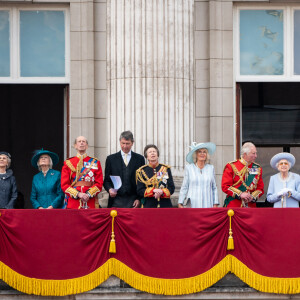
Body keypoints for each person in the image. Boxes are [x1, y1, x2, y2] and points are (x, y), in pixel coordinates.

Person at [104, 131, 145, 208]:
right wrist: (110, 189)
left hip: (134, 201)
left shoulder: (140, 159)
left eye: (127, 143)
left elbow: (142, 181)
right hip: (115, 200)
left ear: (132, 143)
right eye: (123, 143)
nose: (125, 146)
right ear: (120, 142)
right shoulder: (111, 159)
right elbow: (106, 180)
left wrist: (139, 199)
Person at [61, 136, 103, 209]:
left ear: (87, 146)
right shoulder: (68, 162)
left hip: (90, 201)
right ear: (75, 146)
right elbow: (64, 185)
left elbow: (99, 183)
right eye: (79, 141)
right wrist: (78, 194)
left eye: (83, 141)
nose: (81, 143)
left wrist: (88, 194)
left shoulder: (95, 162)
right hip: (74, 202)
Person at [222, 142, 264, 207]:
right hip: (234, 206)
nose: (256, 156)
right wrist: (240, 194)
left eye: (256, 153)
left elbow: (260, 188)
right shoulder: (231, 166)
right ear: (245, 154)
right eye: (253, 153)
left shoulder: (257, 168)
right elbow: (225, 186)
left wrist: (252, 197)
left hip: (250, 207)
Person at [178, 142, 219, 208]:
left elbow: (214, 187)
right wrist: (180, 202)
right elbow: (184, 186)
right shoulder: (189, 168)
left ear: (207, 154)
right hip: (193, 204)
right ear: (196, 154)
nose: (202, 154)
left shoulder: (211, 168)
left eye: (204, 152)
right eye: (200, 152)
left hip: (208, 203)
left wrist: (215, 203)